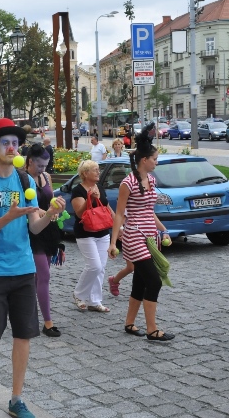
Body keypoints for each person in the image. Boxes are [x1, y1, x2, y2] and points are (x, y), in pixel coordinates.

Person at [0, 118, 65, 417]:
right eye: (5, 143)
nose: (11, 147)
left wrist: (50, 213)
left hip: (23, 268)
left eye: (15, 143)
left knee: (23, 334)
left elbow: (34, 227)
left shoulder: (25, 181)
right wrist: (10, 216)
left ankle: (16, 399)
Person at [108, 124, 174, 341]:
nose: (156, 162)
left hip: (150, 236)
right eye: (154, 159)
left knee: (140, 281)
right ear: (144, 160)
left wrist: (162, 229)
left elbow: (149, 210)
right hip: (134, 236)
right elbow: (119, 214)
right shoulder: (128, 183)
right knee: (154, 281)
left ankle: (129, 323)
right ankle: (152, 329)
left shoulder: (152, 180)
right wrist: (112, 242)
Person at [25, 144, 63, 337]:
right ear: (30, 161)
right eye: (40, 166)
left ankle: (30, 314)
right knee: (44, 275)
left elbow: (51, 200)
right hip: (31, 232)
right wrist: (48, 212)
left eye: (46, 166)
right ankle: (47, 322)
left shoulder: (46, 177)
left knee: (39, 277)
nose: (43, 170)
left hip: (48, 229)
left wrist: (57, 208)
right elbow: (28, 207)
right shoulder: (22, 178)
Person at [71, 160, 115, 312]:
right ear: (85, 173)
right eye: (95, 170)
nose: (98, 172)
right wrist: (91, 198)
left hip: (102, 232)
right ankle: (79, 294)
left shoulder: (100, 187)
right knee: (94, 266)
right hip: (85, 233)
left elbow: (107, 207)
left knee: (101, 268)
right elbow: (79, 213)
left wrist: (119, 226)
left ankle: (95, 301)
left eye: (98, 170)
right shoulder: (78, 190)